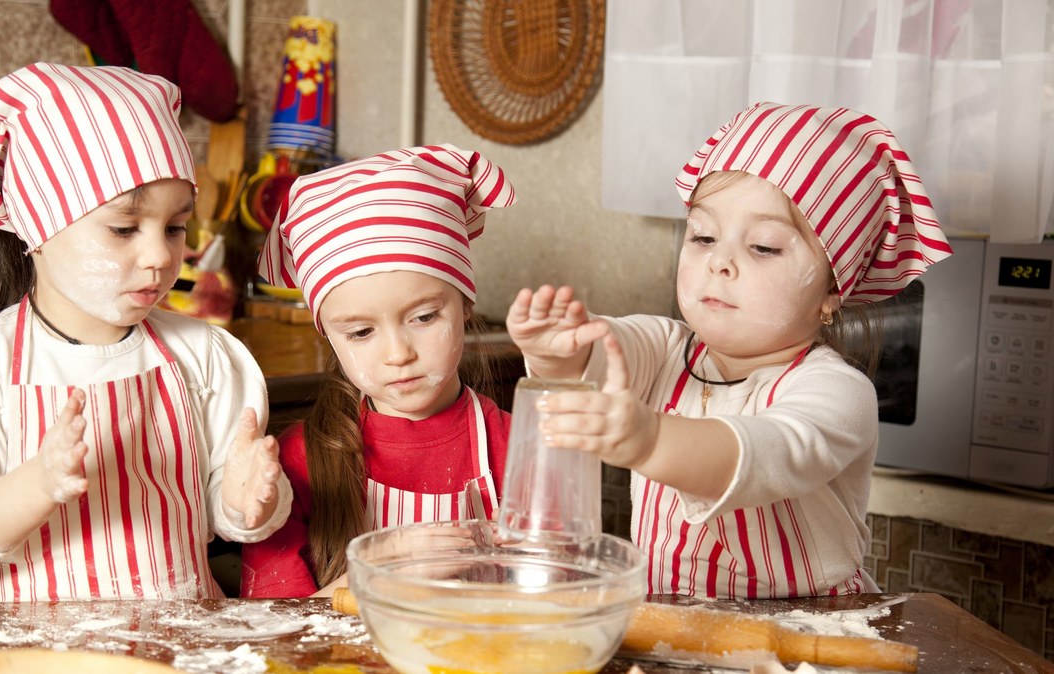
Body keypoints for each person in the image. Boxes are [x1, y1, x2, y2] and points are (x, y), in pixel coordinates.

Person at [506, 102, 953, 598]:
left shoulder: (837, 393)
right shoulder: (666, 350)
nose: (720, 260)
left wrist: (650, 441)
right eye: (703, 235)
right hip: (671, 625)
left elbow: (765, 452)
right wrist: (558, 353)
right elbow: (604, 356)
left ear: (832, 289)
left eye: (762, 246)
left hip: (811, 638)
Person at [0, 62, 291, 602]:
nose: (160, 256)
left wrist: (249, 501)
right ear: (39, 226)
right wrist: (38, 484)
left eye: (175, 227)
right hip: (31, 648)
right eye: (124, 228)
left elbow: (226, 514)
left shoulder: (203, 354)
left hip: (177, 640)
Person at [239, 145, 516, 598]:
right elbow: (276, 635)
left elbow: (550, 605)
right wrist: (377, 571)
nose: (397, 354)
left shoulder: (518, 451)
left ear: (465, 304)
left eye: (424, 318)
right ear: (328, 335)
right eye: (362, 332)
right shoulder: (294, 466)